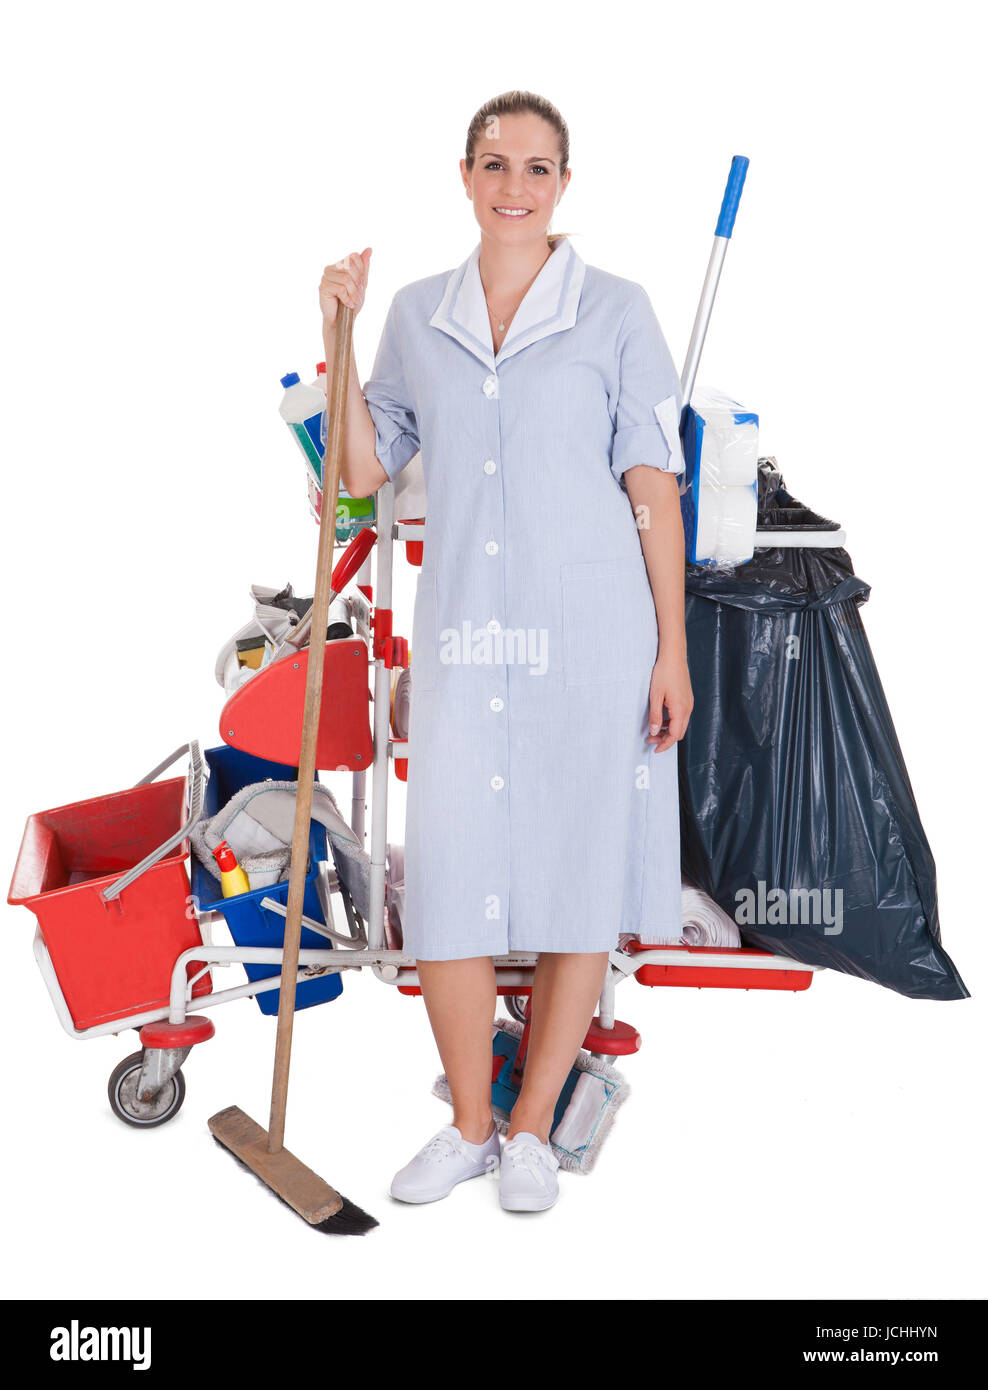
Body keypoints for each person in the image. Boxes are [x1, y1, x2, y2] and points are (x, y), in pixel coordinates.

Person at [318, 90, 692, 1213]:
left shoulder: (616, 311)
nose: (514, 187)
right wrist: (335, 332)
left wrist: (671, 648)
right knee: (447, 878)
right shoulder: (419, 314)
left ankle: (531, 1132)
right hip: (468, 635)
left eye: (537, 169)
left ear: (564, 185)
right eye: (495, 164)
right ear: (466, 175)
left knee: (577, 874)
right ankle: (468, 1127)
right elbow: (358, 471)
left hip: (591, 633)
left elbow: (652, 487)